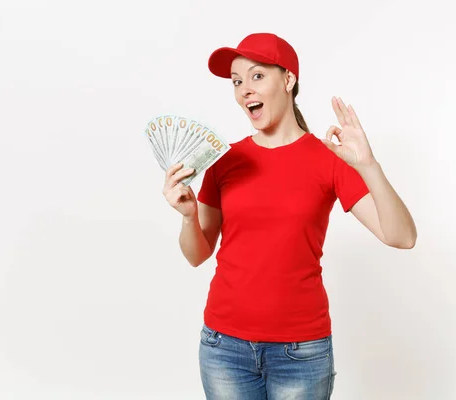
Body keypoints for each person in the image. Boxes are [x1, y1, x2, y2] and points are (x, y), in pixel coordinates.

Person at [162, 32, 417, 400]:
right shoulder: (224, 161)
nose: (244, 90)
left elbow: (401, 237)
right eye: (237, 82)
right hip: (224, 349)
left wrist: (368, 165)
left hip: (301, 352)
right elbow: (197, 254)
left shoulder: (329, 159)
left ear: (288, 79)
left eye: (256, 76)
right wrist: (187, 217)